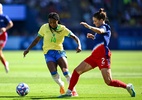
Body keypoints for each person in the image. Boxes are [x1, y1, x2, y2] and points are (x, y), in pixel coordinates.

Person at [59, 8, 136, 98]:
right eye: (93, 21)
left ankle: (127, 87)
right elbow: (100, 38)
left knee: (108, 81)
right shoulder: (99, 29)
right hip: (94, 56)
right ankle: (69, 92)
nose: (94, 23)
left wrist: (89, 27)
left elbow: (101, 31)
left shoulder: (105, 27)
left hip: (103, 56)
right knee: (77, 71)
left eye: (95, 21)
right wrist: (93, 37)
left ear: (101, 20)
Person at [23, 12, 81, 96]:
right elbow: (36, 40)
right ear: (48, 21)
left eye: (54, 22)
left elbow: (75, 37)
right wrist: (28, 49)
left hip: (59, 52)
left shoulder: (63, 29)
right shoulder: (44, 27)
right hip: (48, 53)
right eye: (50, 22)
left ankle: (73, 90)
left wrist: (79, 45)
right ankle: (61, 84)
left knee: (66, 72)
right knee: (54, 73)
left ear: (58, 21)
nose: (52, 24)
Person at [0, 3, 13, 73]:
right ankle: (5, 63)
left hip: (2, 36)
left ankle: (5, 63)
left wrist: (5, 28)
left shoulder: (4, 17)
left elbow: (11, 24)